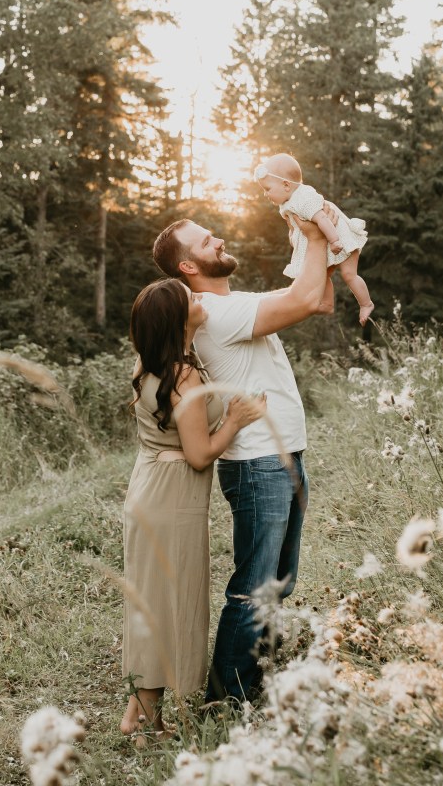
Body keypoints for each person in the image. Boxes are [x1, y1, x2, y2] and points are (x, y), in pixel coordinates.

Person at [152, 215, 333, 703]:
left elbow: (318, 298)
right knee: (254, 586)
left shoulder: (232, 303)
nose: (220, 239)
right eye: (206, 240)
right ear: (189, 265)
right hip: (258, 464)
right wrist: (316, 234)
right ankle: (226, 698)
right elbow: (302, 299)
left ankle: (258, 676)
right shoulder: (212, 311)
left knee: (279, 582)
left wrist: (319, 242)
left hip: (283, 455)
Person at [121, 278, 265, 739]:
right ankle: (146, 724)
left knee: (153, 600)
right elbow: (201, 454)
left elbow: (182, 441)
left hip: (152, 488)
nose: (200, 299)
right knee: (168, 604)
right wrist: (237, 420)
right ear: (179, 320)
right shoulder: (183, 375)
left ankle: (135, 714)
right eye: (192, 299)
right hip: (171, 500)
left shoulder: (153, 364)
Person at [255, 152, 374, 326]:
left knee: (349, 275)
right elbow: (294, 226)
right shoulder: (286, 203)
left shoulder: (303, 198)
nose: (265, 194)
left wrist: (334, 241)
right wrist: (293, 236)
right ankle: (326, 303)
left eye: (267, 189)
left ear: (286, 185)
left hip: (340, 237)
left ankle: (366, 303)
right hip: (326, 242)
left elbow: (323, 219)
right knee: (321, 274)